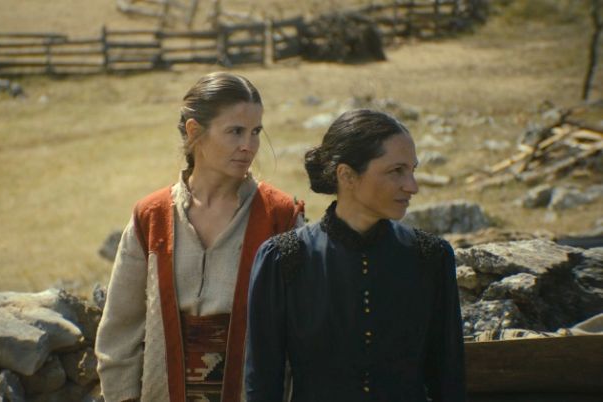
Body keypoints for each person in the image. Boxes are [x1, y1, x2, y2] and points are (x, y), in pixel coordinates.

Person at [95, 71, 304, 402]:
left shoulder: (281, 218)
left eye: (255, 132)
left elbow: (305, 335)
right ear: (195, 132)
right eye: (235, 131)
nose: (249, 146)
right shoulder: (152, 217)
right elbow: (118, 334)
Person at [245, 109, 466, 402]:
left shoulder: (431, 257)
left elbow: (449, 381)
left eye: (412, 170)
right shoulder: (283, 260)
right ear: (347, 175)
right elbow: (262, 385)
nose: (412, 186)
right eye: (396, 171)